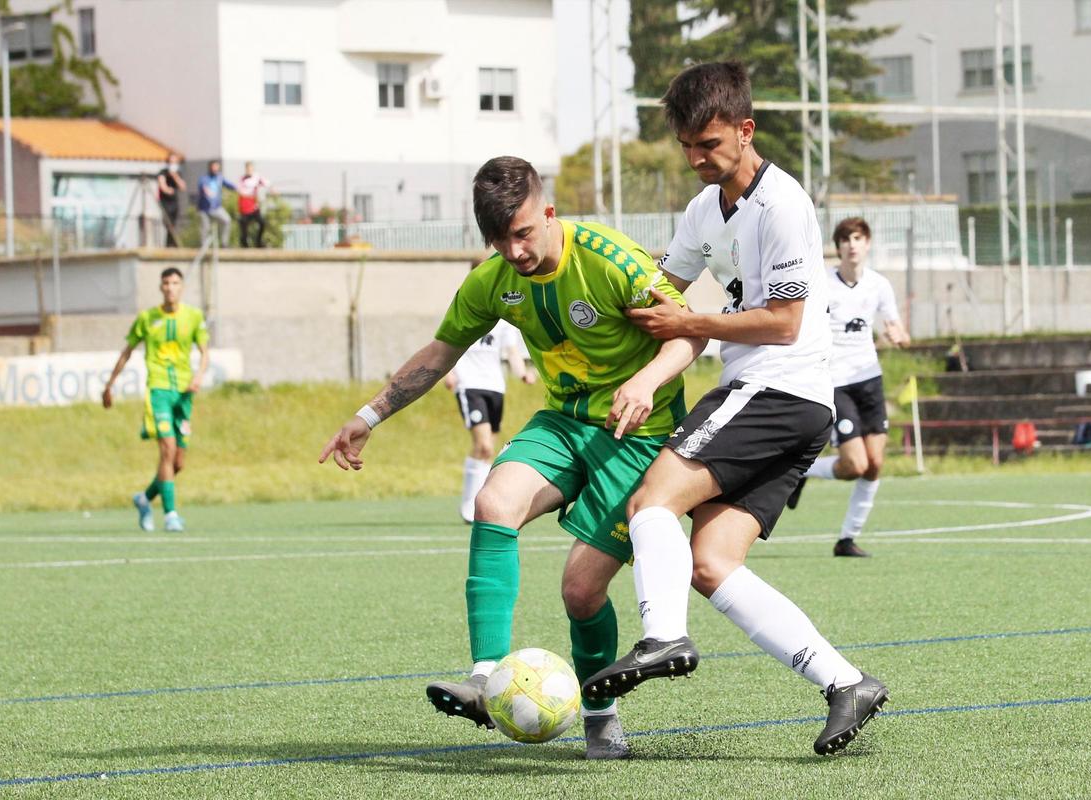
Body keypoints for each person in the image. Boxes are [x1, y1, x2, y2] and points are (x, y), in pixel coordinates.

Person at [318, 156, 704, 760]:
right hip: (565, 422)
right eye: (499, 240)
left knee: (580, 592)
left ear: (548, 213)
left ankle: (601, 718)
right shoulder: (494, 278)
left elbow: (689, 333)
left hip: (640, 432)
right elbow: (441, 352)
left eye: (522, 233)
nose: (514, 251)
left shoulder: (610, 259)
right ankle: (484, 674)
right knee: (491, 502)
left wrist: (647, 381)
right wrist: (368, 417)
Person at [581, 62, 888, 757]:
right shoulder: (701, 208)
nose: (696, 158)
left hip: (775, 387)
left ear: (746, 131)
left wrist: (694, 325)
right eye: (687, 145)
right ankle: (846, 682)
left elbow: (781, 321)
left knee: (651, 503)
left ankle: (663, 636)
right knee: (712, 562)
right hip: (788, 402)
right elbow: (662, 288)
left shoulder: (784, 205)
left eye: (709, 144)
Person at [785, 216, 910, 559]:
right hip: (835, 381)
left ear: (867, 244)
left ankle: (847, 539)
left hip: (869, 380)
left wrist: (898, 335)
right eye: (846, 239)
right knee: (853, 465)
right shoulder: (822, 283)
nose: (852, 244)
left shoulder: (879, 285)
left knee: (874, 465)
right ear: (838, 247)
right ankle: (802, 470)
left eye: (858, 238)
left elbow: (894, 325)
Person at [102, 267, 209, 533]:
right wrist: (109, 385)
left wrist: (198, 376)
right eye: (166, 283)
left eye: (175, 283)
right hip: (158, 390)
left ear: (181, 287)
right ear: (161, 288)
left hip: (184, 393)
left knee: (178, 462)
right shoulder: (147, 318)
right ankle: (171, 514)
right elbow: (127, 351)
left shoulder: (194, 317)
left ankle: (144, 498)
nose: (170, 288)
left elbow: (205, 352)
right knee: (167, 449)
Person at [444, 317, 535, 523]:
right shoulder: (467, 312)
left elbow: (512, 352)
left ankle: (480, 503)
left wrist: (522, 374)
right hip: (469, 384)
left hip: (495, 387)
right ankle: (469, 504)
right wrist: (448, 372)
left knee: (489, 452)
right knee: (483, 446)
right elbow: (449, 343)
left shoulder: (505, 321)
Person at [197, 160, 236, 248]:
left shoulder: (219, 178)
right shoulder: (204, 178)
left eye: (217, 167)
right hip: (205, 209)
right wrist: (208, 192)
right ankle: (203, 246)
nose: (215, 169)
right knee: (205, 228)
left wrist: (238, 188)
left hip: (216, 208)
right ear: (210, 167)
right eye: (213, 167)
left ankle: (224, 243)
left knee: (227, 220)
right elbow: (204, 187)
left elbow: (230, 185)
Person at [237, 162, 270, 248]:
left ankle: (259, 242)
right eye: (248, 168)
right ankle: (244, 243)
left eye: (251, 168)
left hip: (254, 206)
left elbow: (266, 183)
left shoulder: (257, 177)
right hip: (245, 205)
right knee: (244, 226)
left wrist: (263, 185)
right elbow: (241, 191)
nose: (249, 170)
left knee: (262, 223)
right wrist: (251, 189)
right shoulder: (242, 179)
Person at [156, 153, 186, 247]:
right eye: (171, 162)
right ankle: (170, 243)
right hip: (165, 202)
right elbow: (162, 184)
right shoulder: (163, 172)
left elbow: (183, 187)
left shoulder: (178, 173)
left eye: (175, 162)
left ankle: (170, 244)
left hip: (174, 202)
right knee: (168, 223)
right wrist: (167, 190)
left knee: (173, 223)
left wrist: (175, 176)